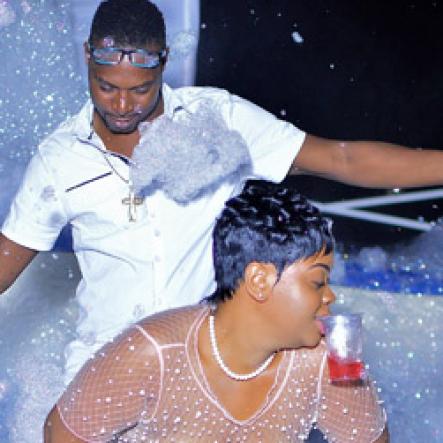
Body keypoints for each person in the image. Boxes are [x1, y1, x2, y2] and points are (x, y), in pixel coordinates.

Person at [0, 0, 442, 384]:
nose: (121, 105)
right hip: (105, 372)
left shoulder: (215, 121)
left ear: (165, 62)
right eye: (107, 87)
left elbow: (343, 159)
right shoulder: (60, 158)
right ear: (86, 58)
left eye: (139, 90)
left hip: (207, 376)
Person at [44, 182, 389, 442]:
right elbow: (61, 437)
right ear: (259, 280)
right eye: (317, 283)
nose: (330, 297)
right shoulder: (155, 355)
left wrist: (349, 378)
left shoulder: (324, 361)